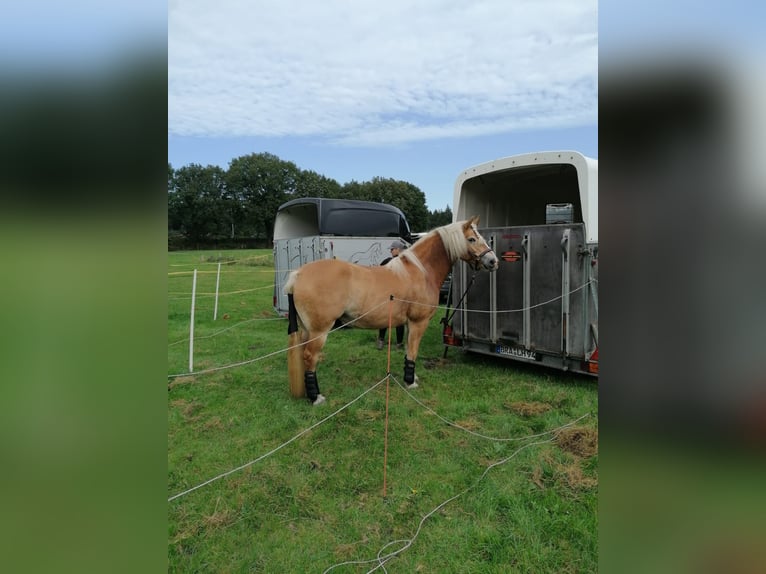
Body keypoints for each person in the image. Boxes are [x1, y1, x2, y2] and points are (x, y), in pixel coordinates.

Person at [377, 240, 406, 350]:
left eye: (392, 249)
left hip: (399, 294)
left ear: (398, 249)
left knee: (397, 318)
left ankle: (395, 342)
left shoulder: (404, 262)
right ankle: (384, 340)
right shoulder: (388, 261)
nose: (390, 251)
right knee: (390, 317)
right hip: (388, 293)